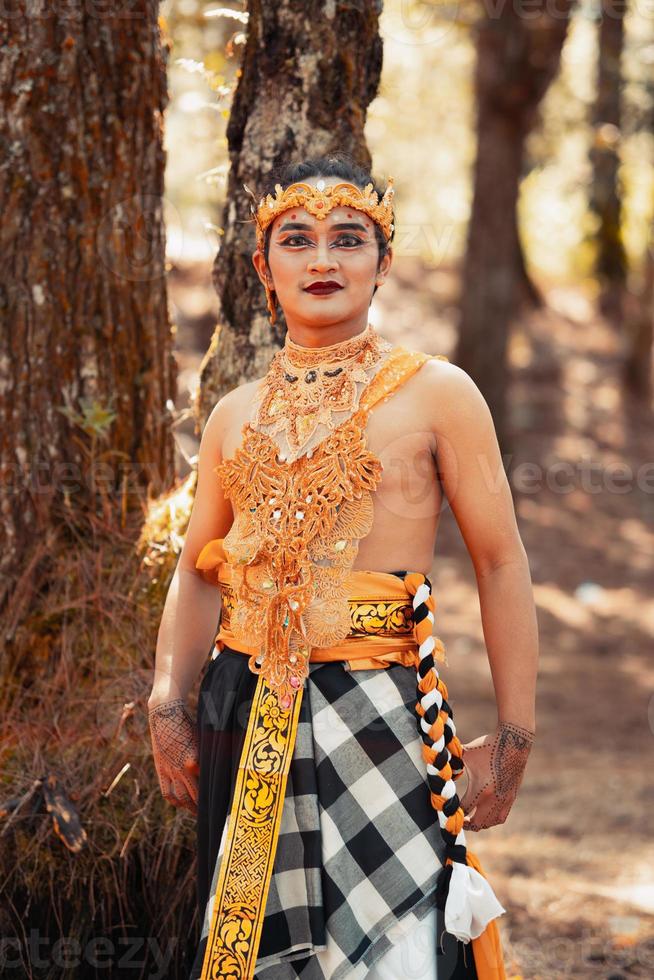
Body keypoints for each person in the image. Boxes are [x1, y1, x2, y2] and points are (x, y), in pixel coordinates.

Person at [147, 152, 539, 980]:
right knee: (257, 945)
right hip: (245, 707)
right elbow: (195, 572)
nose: (323, 260)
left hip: (379, 707)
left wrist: (512, 737)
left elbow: (501, 563)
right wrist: (166, 703)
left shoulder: (440, 394)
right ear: (263, 266)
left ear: (383, 262)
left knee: (397, 939)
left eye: (348, 239)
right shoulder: (233, 414)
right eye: (297, 238)